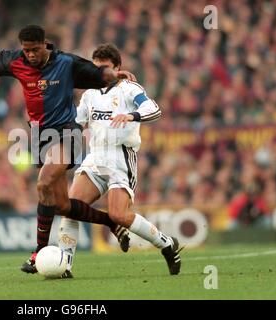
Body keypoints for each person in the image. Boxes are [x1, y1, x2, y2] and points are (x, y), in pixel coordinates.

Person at [0, 25, 136, 276]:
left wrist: (117, 75)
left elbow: (98, 74)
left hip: (66, 133)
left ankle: (38, 253)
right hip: (40, 136)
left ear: (44, 44)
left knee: (44, 184)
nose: (29, 54)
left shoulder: (66, 62)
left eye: (34, 50)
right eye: (26, 50)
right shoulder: (14, 59)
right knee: (61, 204)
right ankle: (111, 223)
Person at [58, 44, 183, 276]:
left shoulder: (129, 88)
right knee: (70, 208)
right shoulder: (90, 93)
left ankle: (166, 243)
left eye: (104, 68)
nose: (100, 73)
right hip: (95, 156)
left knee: (119, 215)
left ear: (117, 67)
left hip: (120, 157)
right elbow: (76, 120)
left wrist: (132, 115)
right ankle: (64, 264)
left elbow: (153, 108)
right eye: (96, 68)